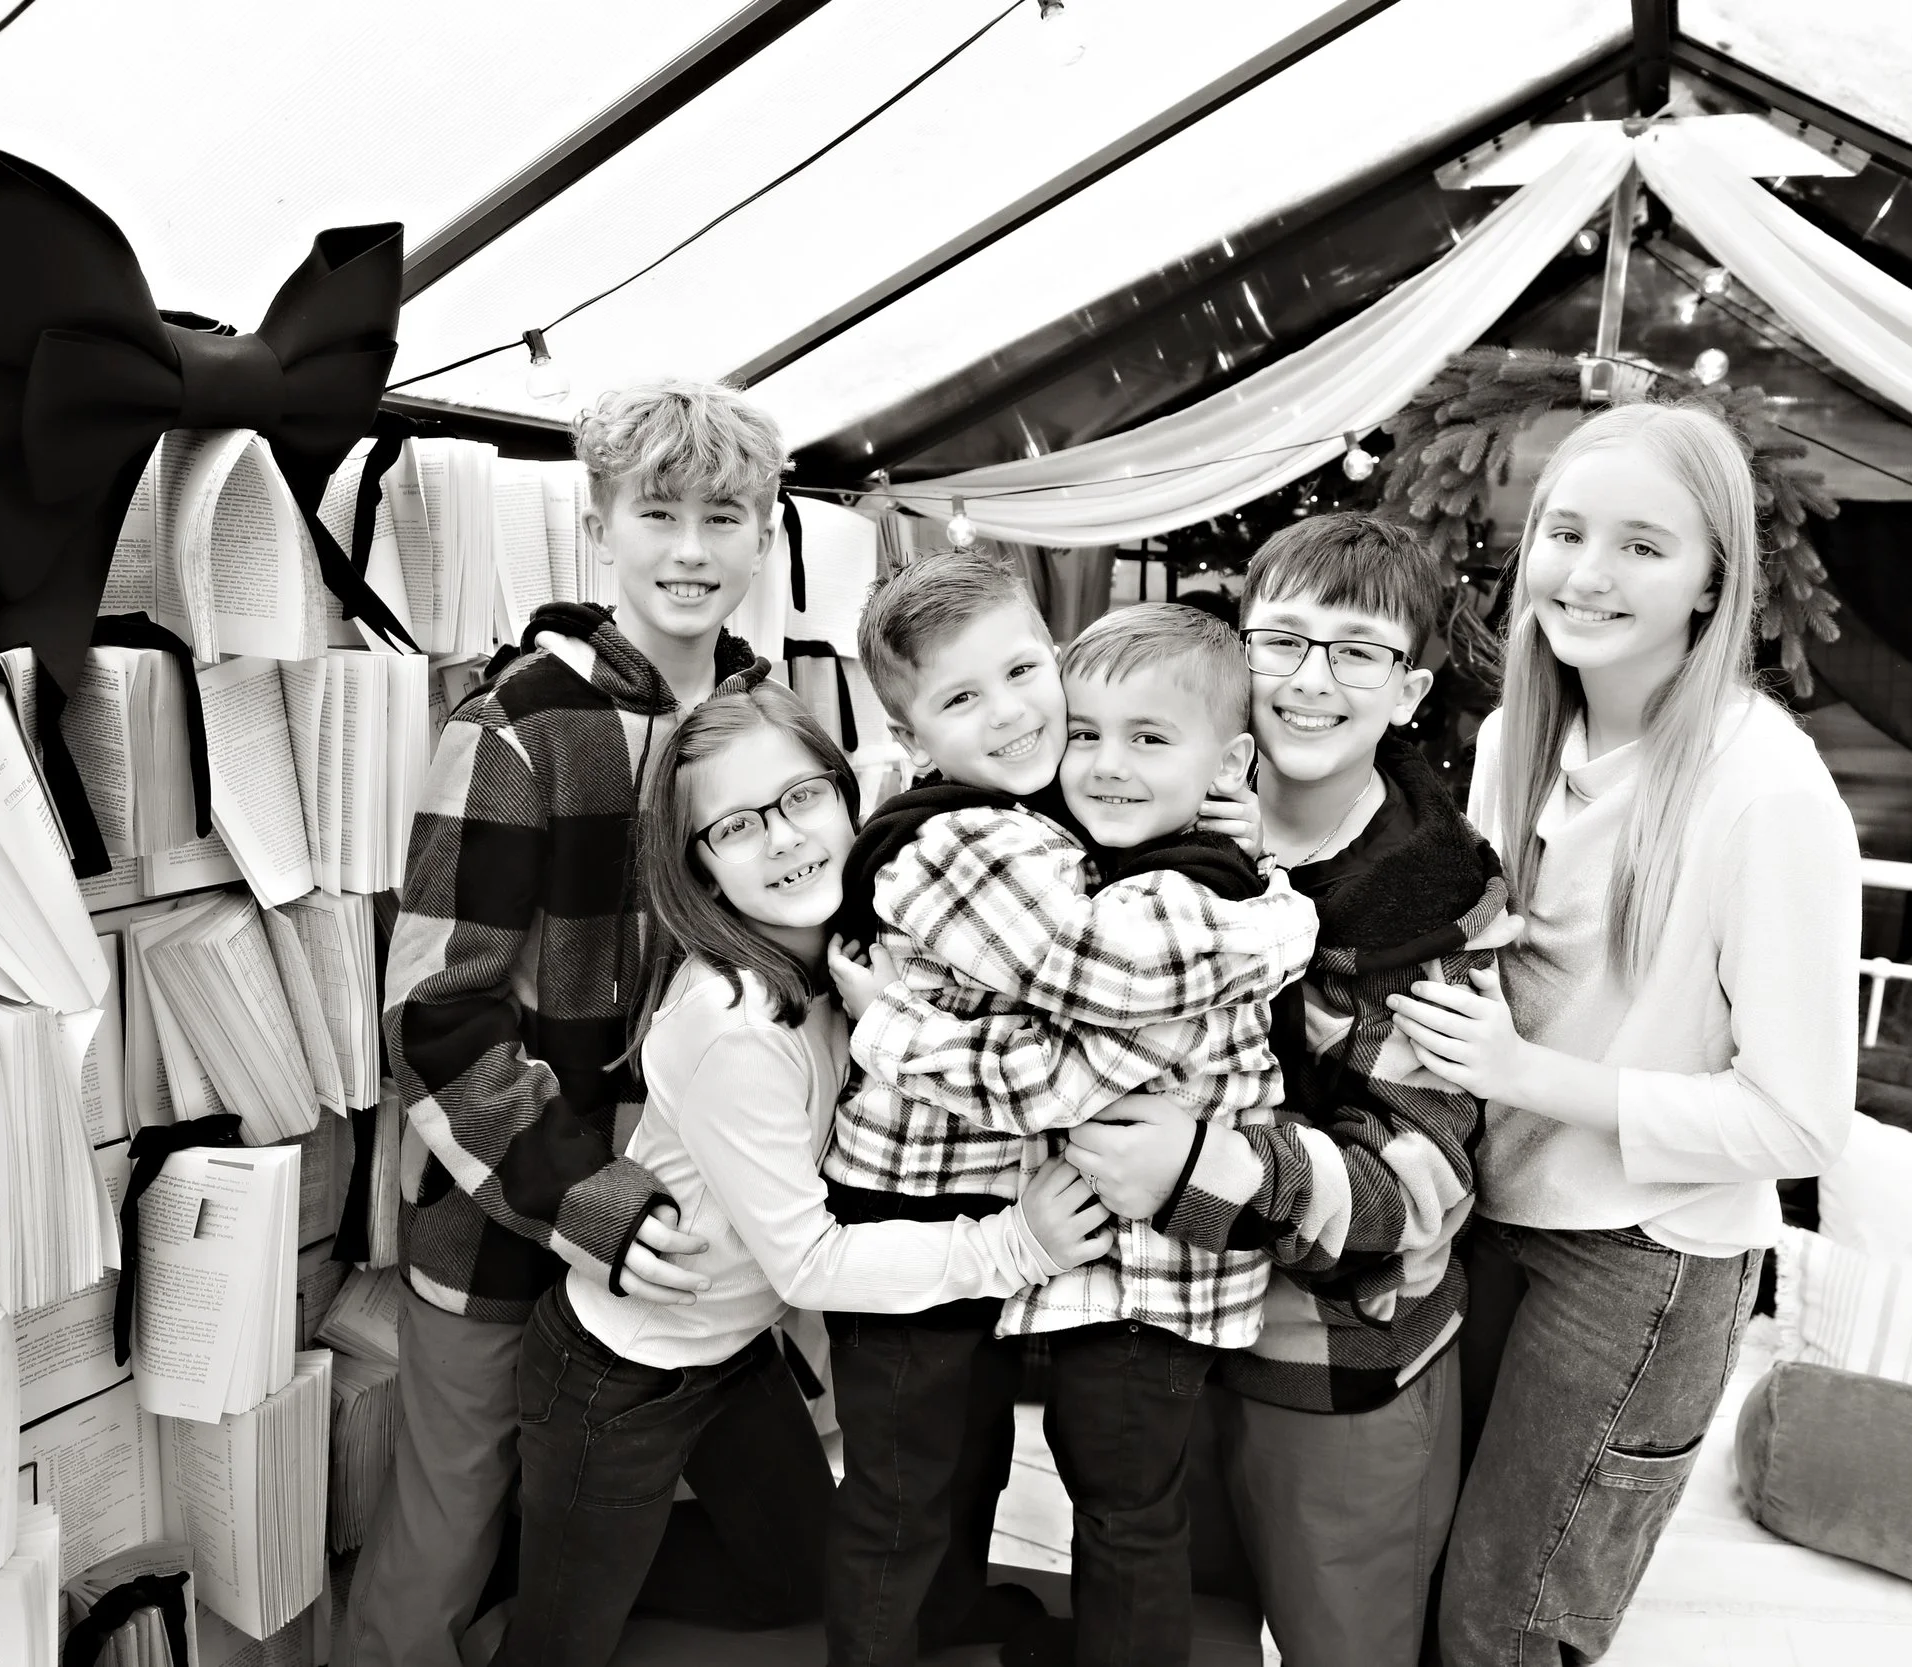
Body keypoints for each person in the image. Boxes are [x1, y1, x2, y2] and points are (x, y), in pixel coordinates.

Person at [491, 677, 1111, 1667]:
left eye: (800, 797)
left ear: (844, 793)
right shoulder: (734, 1023)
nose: (782, 838)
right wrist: (1015, 1244)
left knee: (803, 1579)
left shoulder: (857, 955)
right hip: (620, 1372)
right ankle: (554, 1557)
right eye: (737, 825)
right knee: (563, 1642)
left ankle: (580, 1547)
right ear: (699, 867)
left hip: (735, 1353)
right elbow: (809, 1265)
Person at [1398, 402, 1857, 1667]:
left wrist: (1525, 1073)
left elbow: (1800, 1120)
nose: (1587, 573)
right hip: (1490, 1211)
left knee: (1503, 1628)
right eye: (1565, 532)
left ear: (1713, 578)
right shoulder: (1515, 736)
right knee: (1414, 1581)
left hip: (1645, 1257)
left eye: (1643, 546)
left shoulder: (1763, 789)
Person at [350, 380, 786, 1667]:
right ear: (599, 526)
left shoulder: (768, 732)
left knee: (620, 1550)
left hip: (702, 1228)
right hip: (506, 1220)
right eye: (658, 513)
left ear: (766, 535)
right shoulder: (521, 724)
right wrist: (588, 1202)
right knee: (446, 1535)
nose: (691, 549)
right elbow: (437, 1014)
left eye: (724, 516)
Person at [818, 551, 1306, 1667]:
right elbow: (1108, 993)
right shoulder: (962, 837)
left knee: (970, 1455)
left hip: (1007, 1208)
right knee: (908, 1477)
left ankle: (946, 1618)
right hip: (916, 1198)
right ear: (907, 736)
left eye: (1021, 672)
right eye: (960, 696)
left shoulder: (1047, 812)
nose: (1009, 714)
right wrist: (1286, 920)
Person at [1066, 515, 1515, 1666]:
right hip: (1153, 1342)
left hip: (1327, 1365)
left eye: (1356, 651)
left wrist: (1199, 1164)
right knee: (1185, 1634)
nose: (1311, 680)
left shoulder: (1428, 904)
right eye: (1282, 641)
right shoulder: (1143, 806)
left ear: (1408, 689)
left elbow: (1414, 1189)